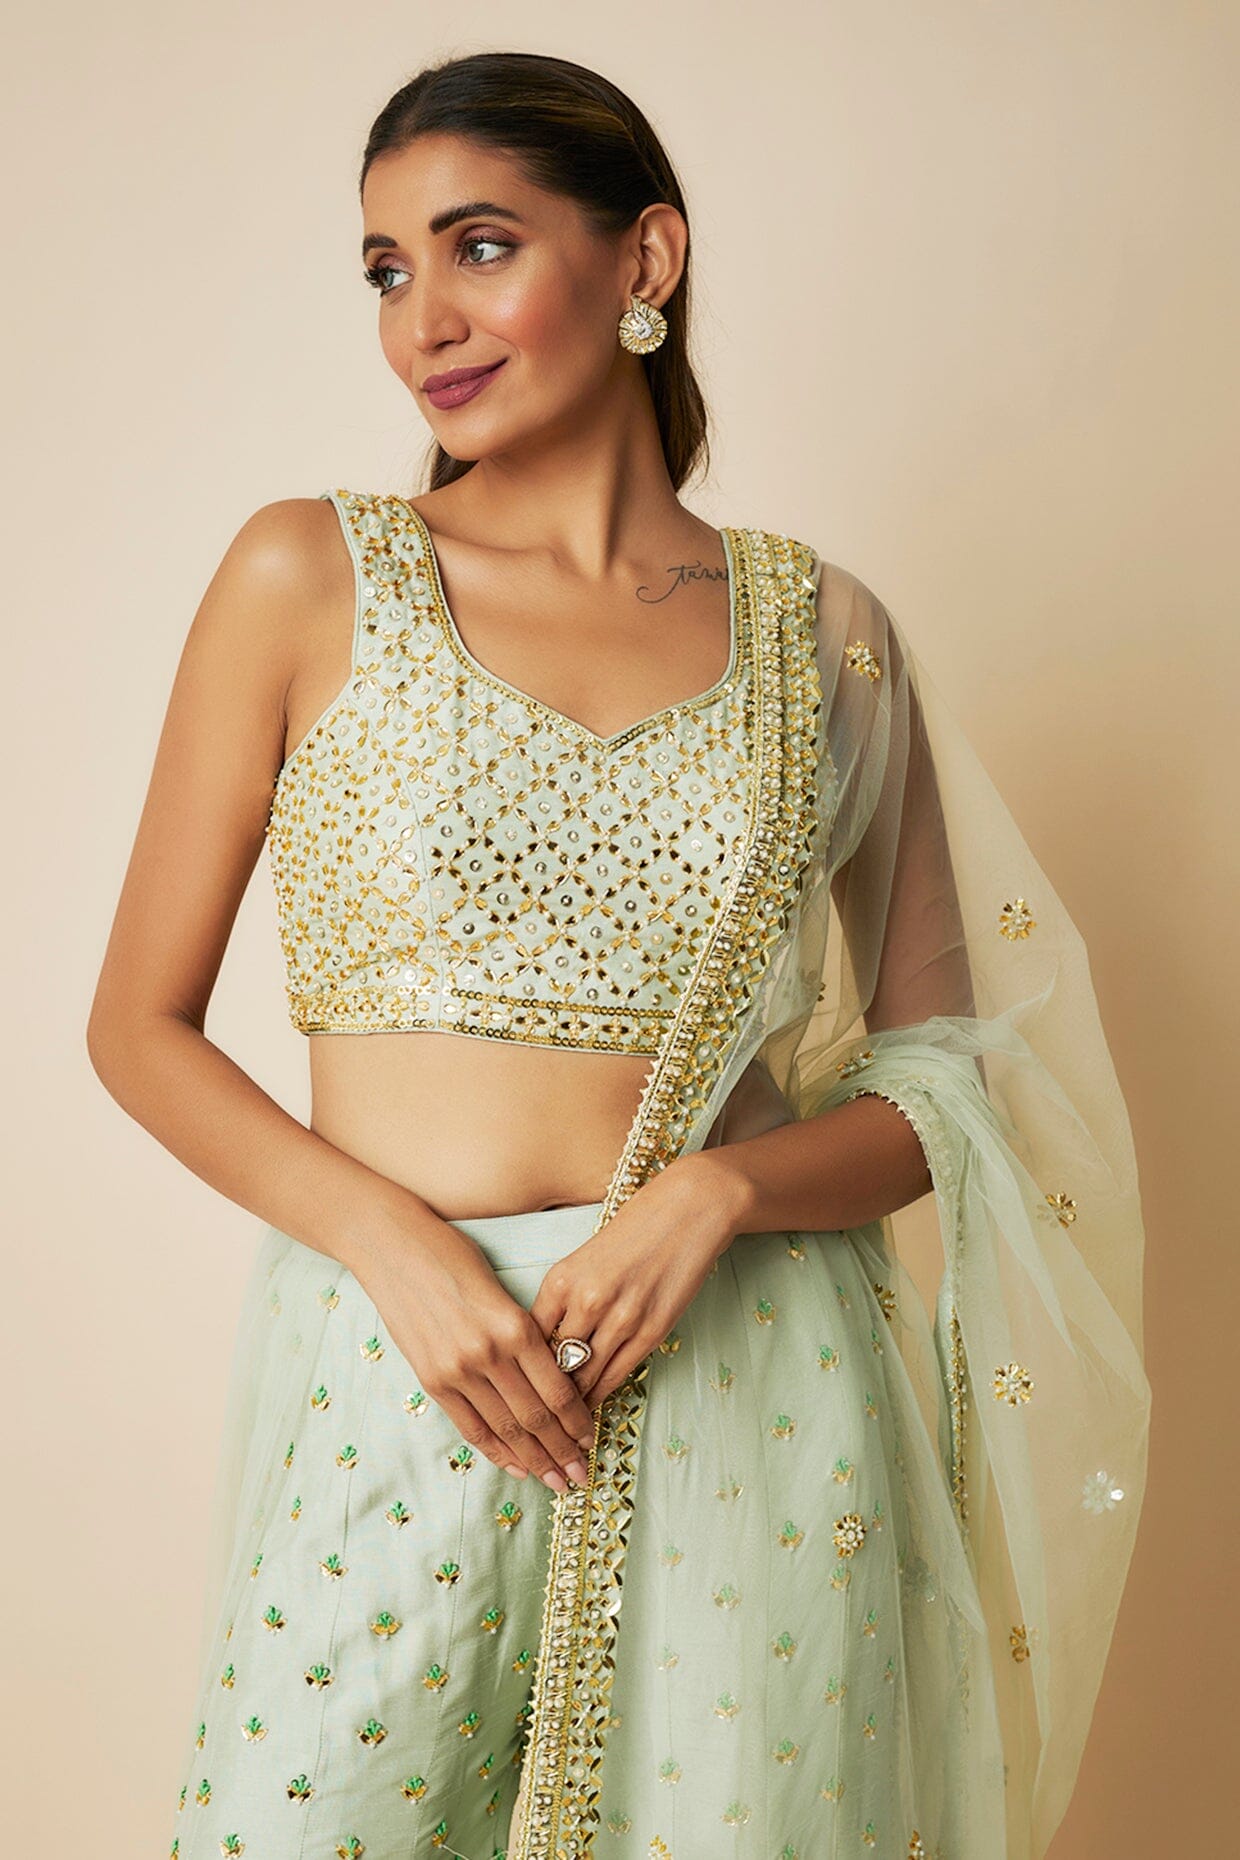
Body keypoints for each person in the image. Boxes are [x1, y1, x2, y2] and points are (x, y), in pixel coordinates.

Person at [87, 50, 1151, 1860]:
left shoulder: (826, 634)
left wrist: (717, 1198)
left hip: (755, 1379)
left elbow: (944, 1081)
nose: (424, 319)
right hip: (408, 1367)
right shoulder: (308, 577)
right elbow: (138, 1027)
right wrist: (395, 1252)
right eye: (386, 270)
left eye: (480, 246)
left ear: (644, 258)